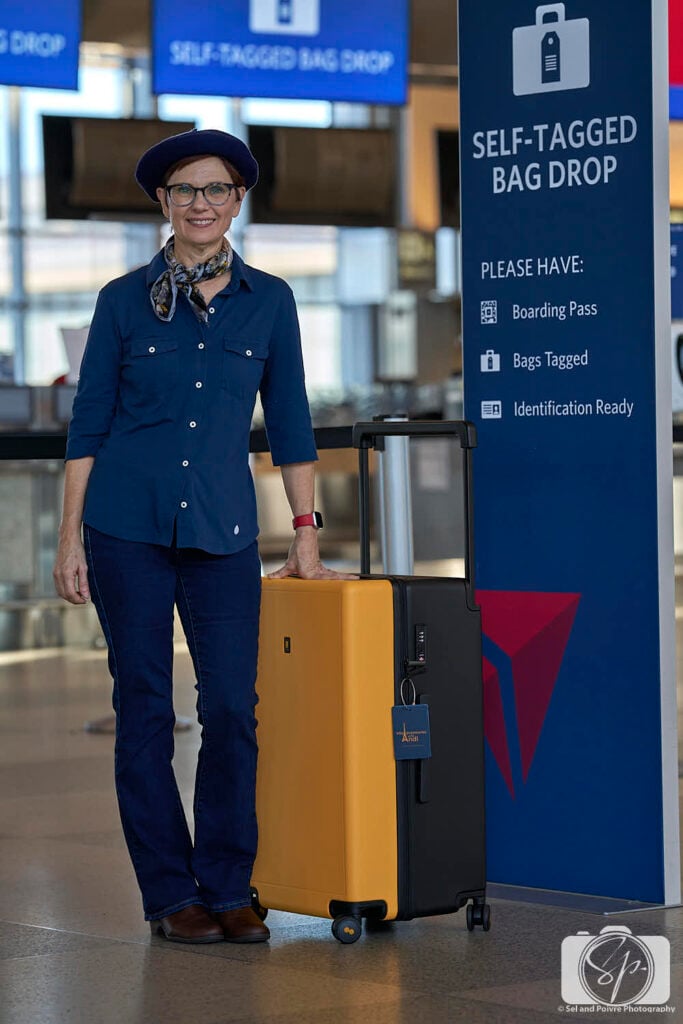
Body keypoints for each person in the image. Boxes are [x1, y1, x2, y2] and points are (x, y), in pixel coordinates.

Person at [53, 128, 351, 945]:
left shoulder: (270, 299)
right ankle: (169, 894)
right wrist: (69, 537)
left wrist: (304, 534)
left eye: (216, 190)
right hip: (123, 529)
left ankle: (227, 884)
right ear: (162, 201)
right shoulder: (121, 299)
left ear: (237, 201)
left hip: (222, 533)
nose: (200, 204)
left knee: (230, 708)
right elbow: (88, 426)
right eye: (184, 190)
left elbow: (289, 423)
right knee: (143, 708)